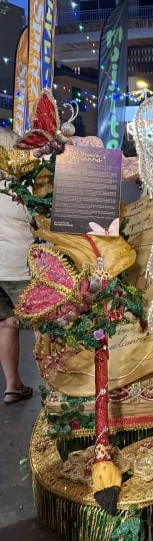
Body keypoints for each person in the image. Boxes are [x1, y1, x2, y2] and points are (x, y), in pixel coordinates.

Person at [0, 128, 34, 404]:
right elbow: (37, 221)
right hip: (17, 265)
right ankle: (55, 384)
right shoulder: (20, 187)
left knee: (6, 324)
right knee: (43, 324)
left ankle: (13, 385)